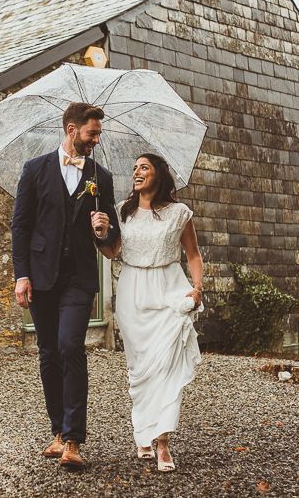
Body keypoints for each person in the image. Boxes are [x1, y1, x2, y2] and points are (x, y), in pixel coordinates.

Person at [12, 102, 120, 469]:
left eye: (98, 134)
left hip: (79, 278)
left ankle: (74, 439)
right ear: (72, 129)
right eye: (92, 133)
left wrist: (104, 230)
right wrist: (21, 275)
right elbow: (21, 227)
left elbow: (112, 235)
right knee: (48, 354)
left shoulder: (99, 177)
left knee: (70, 345)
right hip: (41, 278)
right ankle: (58, 431)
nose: (96, 140)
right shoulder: (35, 169)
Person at [92, 153, 204, 472]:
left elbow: (193, 255)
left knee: (167, 368)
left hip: (169, 287)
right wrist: (100, 233)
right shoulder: (122, 212)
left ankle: (164, 441)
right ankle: (143, 431)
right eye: (135, 169)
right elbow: (112, 252)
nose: (137, 172)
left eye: (144, 168)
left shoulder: (179, 213)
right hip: (132, 291)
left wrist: (197, 286)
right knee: (140, 369)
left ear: (159, 175)